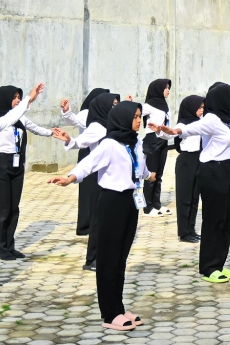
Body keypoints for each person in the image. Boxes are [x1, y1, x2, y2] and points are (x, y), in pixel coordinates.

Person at [48, 101, 155, 331]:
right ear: (123, 118)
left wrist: (149, 176)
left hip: (131, 202)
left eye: (140, 116)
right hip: (112, 202)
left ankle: (119, 307)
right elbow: (88, 164)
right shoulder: (110, 144)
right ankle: (109, 314)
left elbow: (140, 167)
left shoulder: (134, 142)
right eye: (135, 117)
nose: (139, 121)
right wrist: (69, 178)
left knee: (121, 258)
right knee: (108, 259)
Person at [175, 83, 230, 283]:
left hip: (228, 169)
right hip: (213, 172)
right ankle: (209, 267)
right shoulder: (212, 120)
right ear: (222, 100)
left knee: (228, 220)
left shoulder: (228, 117)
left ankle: (219, 264)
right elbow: (189, 128)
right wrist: (171, 130)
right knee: (214, 221)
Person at [53, 92, 120, 270]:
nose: (116, 107)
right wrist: (70, 140)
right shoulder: (98, 126)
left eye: (117, 104)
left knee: (110, 220)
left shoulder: (113, 124)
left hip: (114, 178)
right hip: (99, 178)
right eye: (113, 104)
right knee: (98, 220)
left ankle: (105, 255)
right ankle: (92, 259)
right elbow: (81, 141)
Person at [0, 83, 49, 260]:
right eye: (14, 98)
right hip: (0, 165)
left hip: (16, 165)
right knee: (3, 209)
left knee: (14, 208)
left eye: (19, 98)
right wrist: (30, 99)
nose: (17, 101)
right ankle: (0, 249)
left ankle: (9, 246)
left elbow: (36, 128)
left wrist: (54, 133)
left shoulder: (19, 118)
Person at [60, 87, 110, 236]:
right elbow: (74, 121)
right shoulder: (88, 113)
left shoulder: (105, 115)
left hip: (97, 153)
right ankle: (85, 225)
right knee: (87, 191)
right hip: (86, 151)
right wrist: (67, 112)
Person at [165, 95, 204, 243]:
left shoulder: (200, 122)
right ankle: (184, 232)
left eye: (203, 107)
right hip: (186, 161)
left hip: (198, 159)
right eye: (199, 107)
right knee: (184, 198)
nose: (201, 110)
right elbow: (174, 133)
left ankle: (191, 229)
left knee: (194, 197)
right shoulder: (183, 124)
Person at [141, 79, 173, 217]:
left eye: (169, 88)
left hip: (163, 140)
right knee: (151, 175)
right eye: (165, 88)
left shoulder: (165, 105)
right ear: (157, 89)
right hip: (152, 141)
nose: (168, 90)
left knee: (159, 175)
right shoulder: (149, 105)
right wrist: (129, 103)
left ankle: (156, 204)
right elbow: (135, 112)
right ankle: (147, 208)